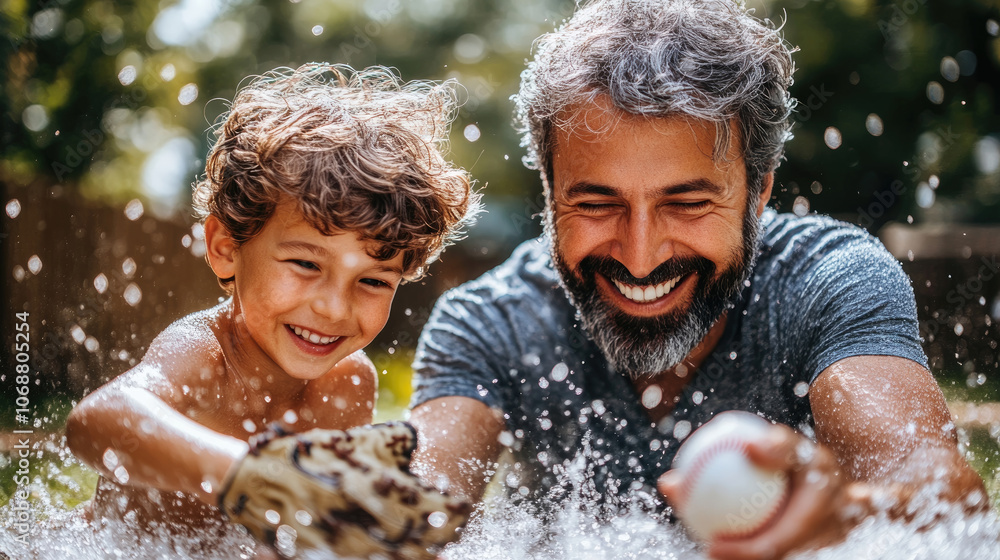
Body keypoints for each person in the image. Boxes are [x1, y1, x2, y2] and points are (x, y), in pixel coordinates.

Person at [407, 1, 988, 558]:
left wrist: (853, 510)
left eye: (686, 203)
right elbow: (412, 516)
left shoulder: (829, 280)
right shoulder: (488, 322)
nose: (639, 257)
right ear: (549, 196)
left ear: (757, 194)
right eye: (596, 203)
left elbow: (937, 488)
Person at [65, 64, 480, 558]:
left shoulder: (346, 384)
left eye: (372, 280)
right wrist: (253, 476)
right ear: (225, 247)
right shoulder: (204, 354)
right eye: (306, 264)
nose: (332, 307)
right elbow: (97, 420)